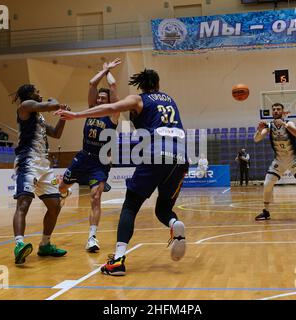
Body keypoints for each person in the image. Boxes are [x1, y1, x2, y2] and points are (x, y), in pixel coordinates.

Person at [56, 69, 189, 276]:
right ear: (158, 83)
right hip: (181, 158)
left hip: (156, 153)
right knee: (163, 209)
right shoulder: (170, 100)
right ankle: (174, 223)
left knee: (130, 207)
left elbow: (110, 106)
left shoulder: (139, 99)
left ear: (141, 85)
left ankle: (117, 261)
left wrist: (77, 115)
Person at [58, 58, 121, 253]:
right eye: (99, 98)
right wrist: (103, 71)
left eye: (104, 99)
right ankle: (65, 190)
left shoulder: (113, 114)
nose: (100, 100)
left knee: (95, 197)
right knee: (60, 189)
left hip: (100, 161)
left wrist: (109, 71)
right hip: (83, 157)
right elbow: (92, 84)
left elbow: (113, 85)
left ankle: (92, 237)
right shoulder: (91, 111)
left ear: (109, 102)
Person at [11, 84, 70, 265]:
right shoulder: (26, 106)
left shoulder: (40, 116)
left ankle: (45, 245)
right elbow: (53, 104)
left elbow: (56, 134)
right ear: (29, 94)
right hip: (28, 162)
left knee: (55, 205)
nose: (40, 93)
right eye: (37, 91)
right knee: (24, 203)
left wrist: (63, 117)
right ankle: (19, 245)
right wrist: (56, 103)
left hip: (44, 165)